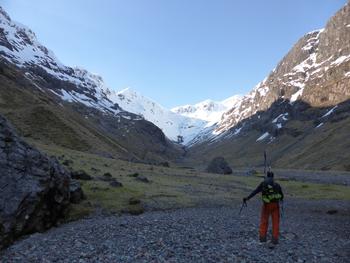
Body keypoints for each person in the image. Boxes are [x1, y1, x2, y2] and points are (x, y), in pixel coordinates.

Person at [243, 171, 284, 244]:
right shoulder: (277, 185)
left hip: (266, 205)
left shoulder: (263, 184)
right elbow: (282, 196)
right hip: (275, 205)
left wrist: (247, 198)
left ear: (267, 176)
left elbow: (255, 192)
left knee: (264, 221)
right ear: (273, 177)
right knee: (275, 222)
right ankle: (274, 240)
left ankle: (262, 238)